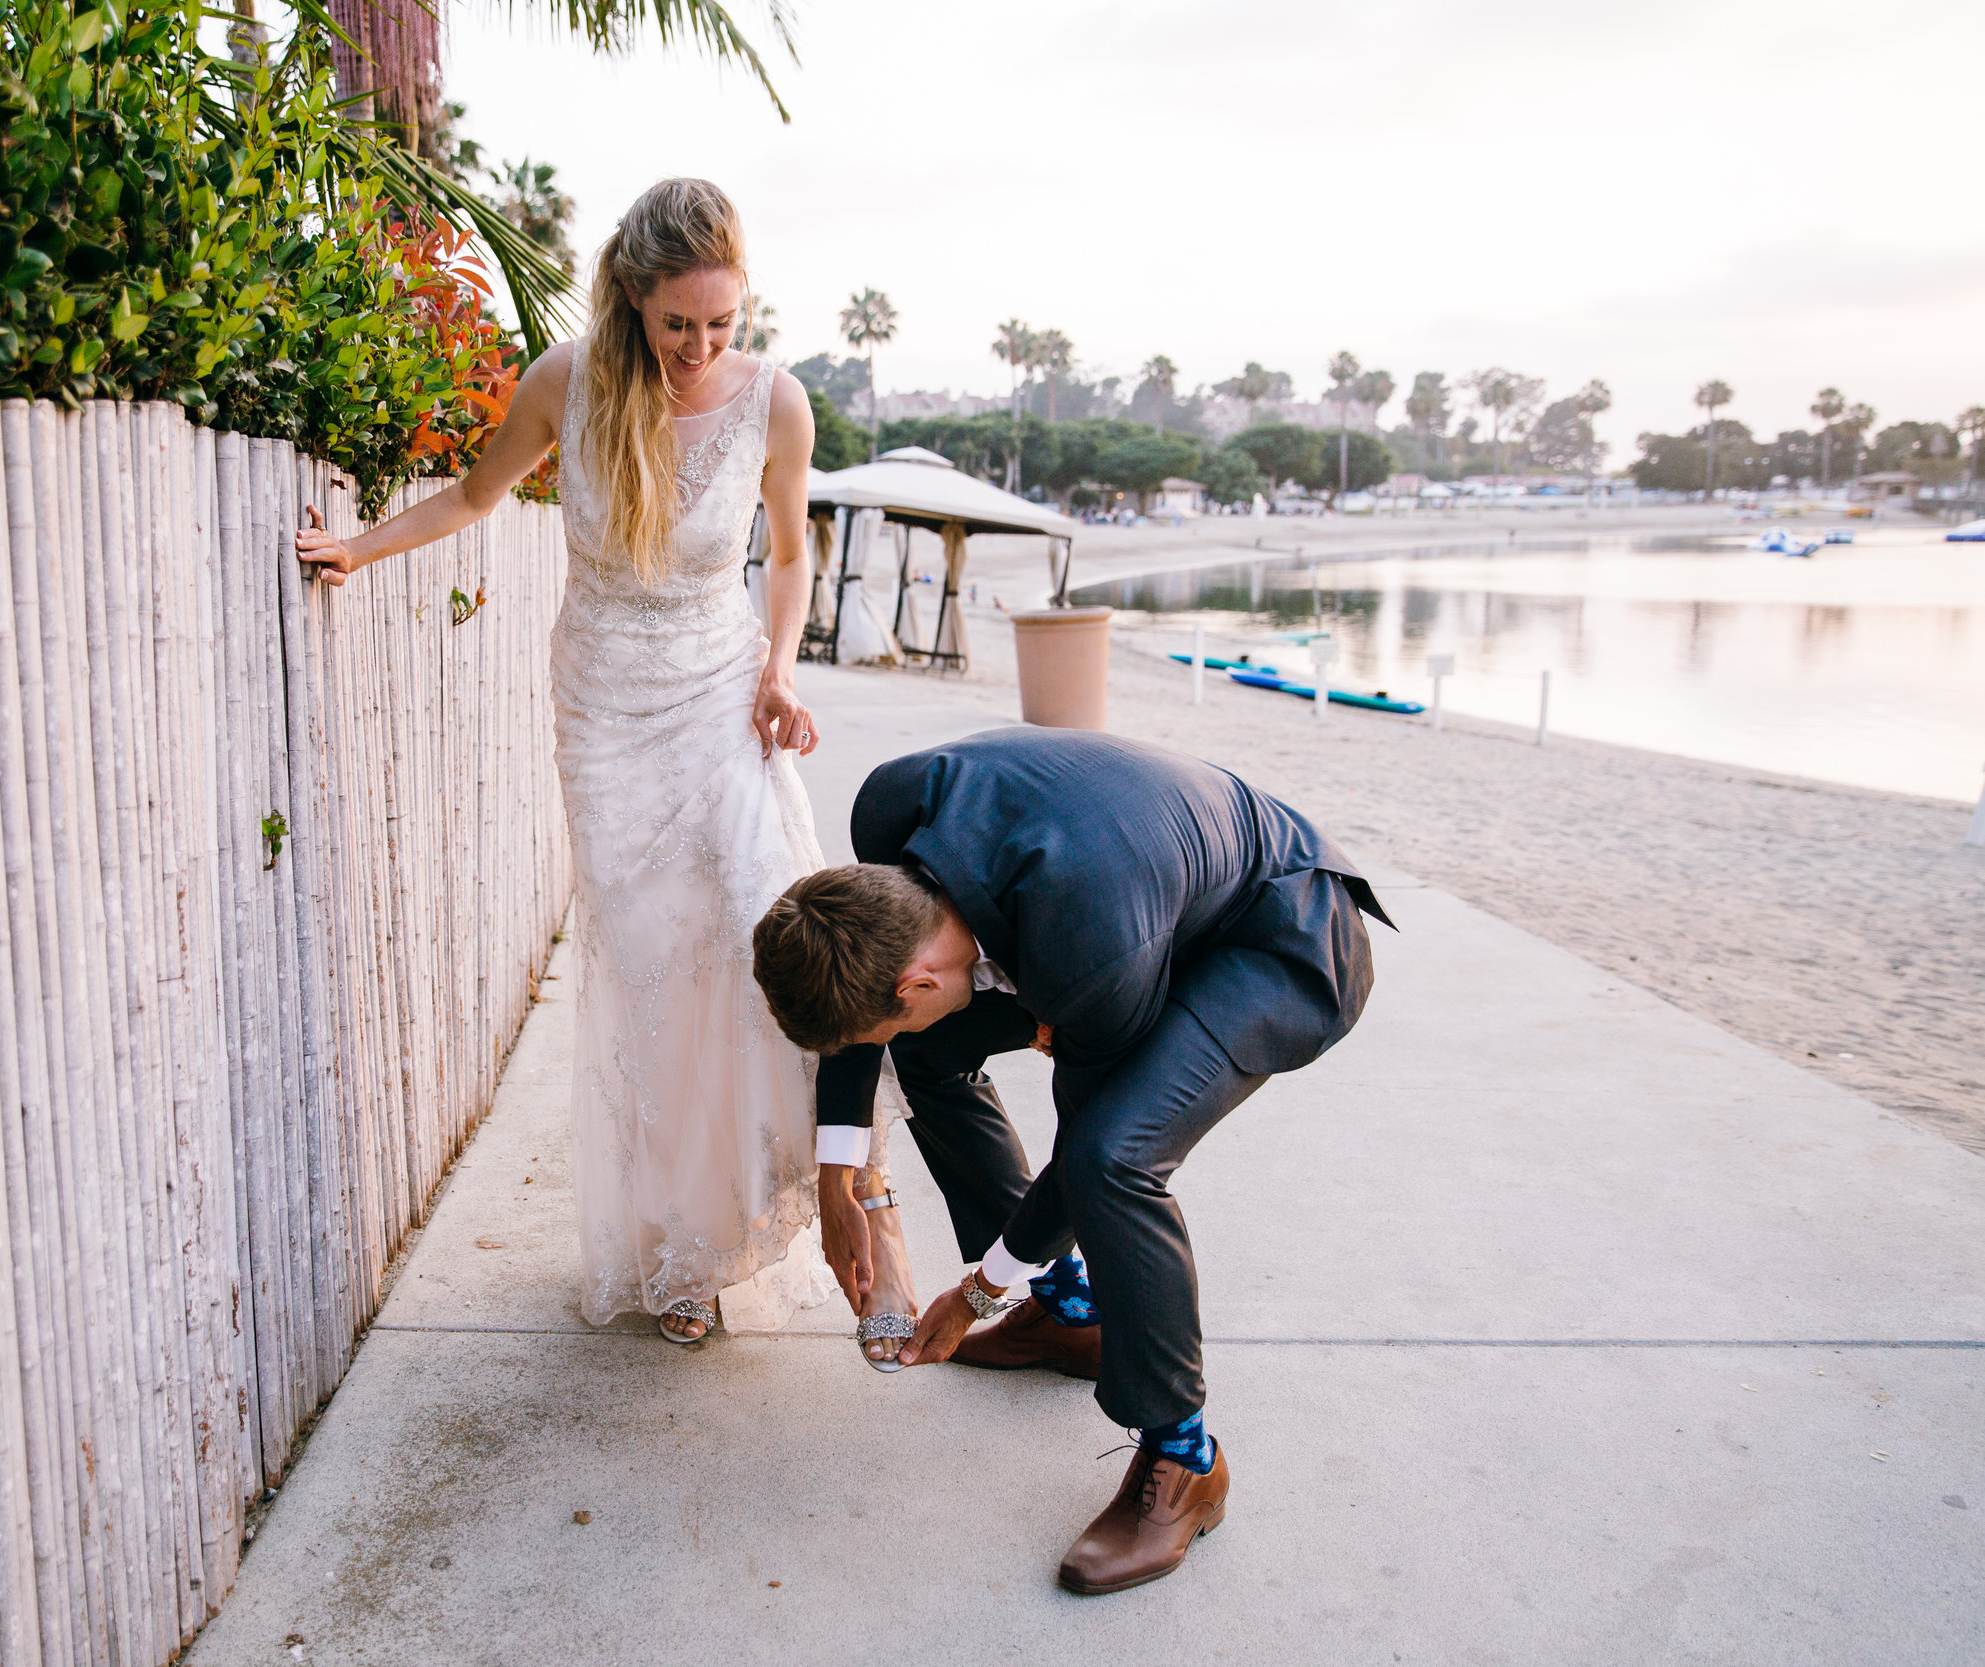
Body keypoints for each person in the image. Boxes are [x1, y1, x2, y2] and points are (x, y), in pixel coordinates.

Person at [294, 179, 876, 1347]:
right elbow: (472, 494)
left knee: (758, 923)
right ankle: (678, 1248)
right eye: (678, 325)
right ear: (631, 298)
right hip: (606, 706)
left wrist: (781, 669)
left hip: (720, 691)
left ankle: (802, 1186)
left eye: (722, 323)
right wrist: (359, 547)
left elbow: (789, 557)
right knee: (654, 969)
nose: (701, 348)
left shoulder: (776, 402)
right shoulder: (566, 382)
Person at [750, 727, 1390, 1593]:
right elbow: (861, 1008)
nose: (888, 1033)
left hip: (1280, 937)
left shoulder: (1089, 962)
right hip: (1116, 907)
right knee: (929, 1054)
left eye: (893, 1017)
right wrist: (840, 1183)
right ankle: (1070, 1308)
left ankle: (1186, 1456)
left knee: (1113, 1158)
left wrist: (978, 1290)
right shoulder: (890, 812)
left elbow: (1075, 1166)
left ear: (918, 986)